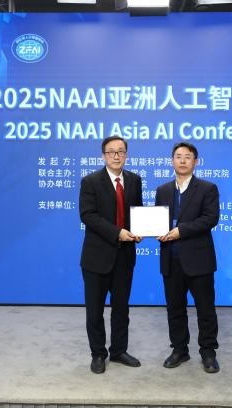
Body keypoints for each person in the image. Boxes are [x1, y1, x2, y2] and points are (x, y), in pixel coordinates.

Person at [79, 135, 143, 374]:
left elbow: (137, 212)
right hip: (96, 257)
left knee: (121, 308)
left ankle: (118, 350)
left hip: (125, 256)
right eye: (111, 152)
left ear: (126, 154)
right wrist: (118, 233)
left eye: (121, 151)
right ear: (103, 155)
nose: (116, 156)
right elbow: (88, 216)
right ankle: (98, 354)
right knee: (95, 310)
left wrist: (140, 230)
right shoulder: (90, 181)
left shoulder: (134, 180)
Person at [155, 142, 221, 374]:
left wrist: (180, 231)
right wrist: (155, 230)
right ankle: (179, 349)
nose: (182, 160)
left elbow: (210, 219)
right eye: (178, 156)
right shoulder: (163, 190)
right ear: (171, 161)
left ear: (196, 162)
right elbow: (158, 221)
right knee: (175, 308)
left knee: (205, 309)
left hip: (199, 260)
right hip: (170, 260)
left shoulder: (207, 188)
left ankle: (208, 352)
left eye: (187, 157)